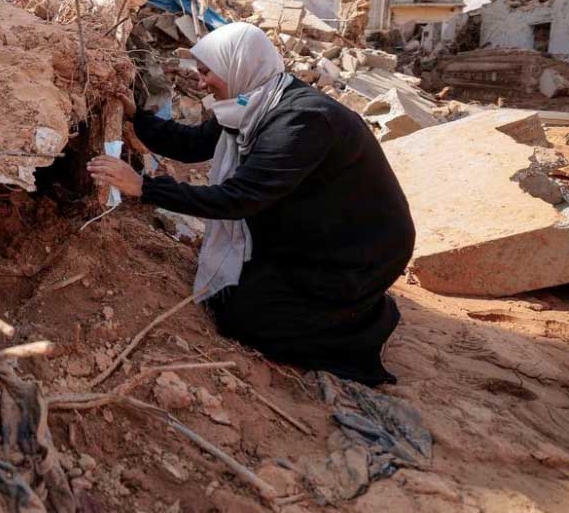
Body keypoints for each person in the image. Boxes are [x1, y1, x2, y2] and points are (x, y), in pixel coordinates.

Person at [87, 22, 416, 386]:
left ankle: (365, 325)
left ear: (237, 65)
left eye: (208, 71)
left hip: (359, 250)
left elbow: (238, 198)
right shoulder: (251, 102)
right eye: (200, 72)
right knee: (230, 295)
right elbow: (194, 144)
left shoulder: (301, 121)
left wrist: (144, 188)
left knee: (243, 319)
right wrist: (137, 117)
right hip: (313, 230)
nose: (202, 81)